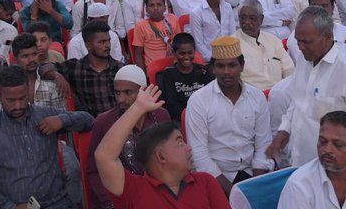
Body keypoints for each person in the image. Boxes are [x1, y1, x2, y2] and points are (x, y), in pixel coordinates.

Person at [0, 65, 94, 209]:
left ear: (28, 91)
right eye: (11, 100)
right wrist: (9, 206)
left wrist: (62, 120)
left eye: (22, 98)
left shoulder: (45, 116)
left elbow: (88, 121)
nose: (17, 106)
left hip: (56, 203)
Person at [267, 7, 346, 167]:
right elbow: (297, 103)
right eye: (298, 41)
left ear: (328, 37)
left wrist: (341, 158)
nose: (300, 47)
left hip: (335, 168)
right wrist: (285, 129)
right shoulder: (304, 60)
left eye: (306, 42)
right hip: (301, 161)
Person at [95, 83, 231, 209]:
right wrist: (138, 108)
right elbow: (104, 156)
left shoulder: (205, 182)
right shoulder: (134, 190)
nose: (189, 147)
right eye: (179, 142)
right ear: (161, 156)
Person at [183, 36, 272, 195]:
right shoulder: (199, 101)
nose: (226, 72)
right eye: (220, 66)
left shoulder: (257, 97)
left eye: (232, 65)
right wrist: (235, 195)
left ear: (242, 65)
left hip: (253, 174)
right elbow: (199, 155)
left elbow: (263, 144)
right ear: (212, 68)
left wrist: (256, 188)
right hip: (216, 178)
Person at [84, 65, 170, 209]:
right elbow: (94, 171)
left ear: (143, 91)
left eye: (127, 92)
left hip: (157, 194)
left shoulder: (161, 116)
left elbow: (169, 162)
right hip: (119, 197)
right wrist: (111, 203)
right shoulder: (104, 122)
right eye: (117, 93)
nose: (121, 99)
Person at [54, 21, 123, 116]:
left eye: (108, 41)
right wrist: (56, 75)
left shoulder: (120, 69)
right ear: (88, 46)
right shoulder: (76, 68)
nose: (108, 45)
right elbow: (43, 68)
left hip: (121, 122)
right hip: (92, 125)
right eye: (102, 42)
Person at [234, 0, 293, 90]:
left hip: (278, 95)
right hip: (250, 97)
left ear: (261, 19)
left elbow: (289, 70)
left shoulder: (273, 41)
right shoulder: (232, 44)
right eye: (243, 18)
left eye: (252, 18)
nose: (247, 22)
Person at [154, 33, 213, 122]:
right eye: (182, 53)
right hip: (181, 118)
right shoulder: (168, 74)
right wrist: (189, 118)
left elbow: (211, 97)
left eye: (190, 53)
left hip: (205, 115)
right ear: (174, 53)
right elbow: (172, 105)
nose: (186, 57)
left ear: (194, 51)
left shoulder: (203, 71)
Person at [129, 0, 179, 71]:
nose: (155, 8)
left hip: (175, 64)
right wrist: (143, 76)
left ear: (165, 8)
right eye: (151, 5)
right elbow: (138, 54)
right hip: (156, 68)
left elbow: (180, 43)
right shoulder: (141, 26)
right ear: (146, 9)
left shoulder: (172, 19)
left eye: (159, 5)